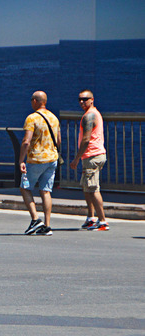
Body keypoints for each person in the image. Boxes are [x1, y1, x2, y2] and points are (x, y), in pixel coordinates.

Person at [18, 91, 61, 236]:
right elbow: (59, 141)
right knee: (46, 191)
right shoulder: (54, 118)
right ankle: (47, 226)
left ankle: (35, 219)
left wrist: (20, 160)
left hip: (36, 159)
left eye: (31, 99)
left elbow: (26, 141)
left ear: (36, 101)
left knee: (25, 187)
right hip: (52, 159)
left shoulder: (32, 118)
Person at [69, 90, 108, 231]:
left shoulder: (89, 116)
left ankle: (102, 221)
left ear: (92, 99)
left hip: (92, 156)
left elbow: (86, 139)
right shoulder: (93, 113)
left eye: (85, 99)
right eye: (79, 99)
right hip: (92, 155)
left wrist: (76, 159)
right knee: (87, 186)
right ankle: (91, 218)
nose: (81, 102)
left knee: (93, 188)